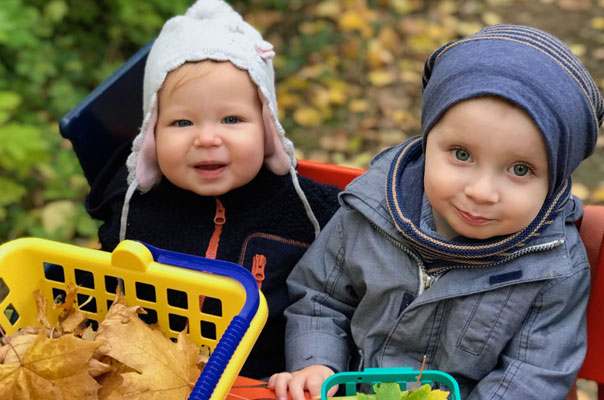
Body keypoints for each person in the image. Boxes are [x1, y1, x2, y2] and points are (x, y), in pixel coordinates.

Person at [269, 25, 603, 399]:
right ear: (428, 140)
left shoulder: (552, 267)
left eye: (520, 170)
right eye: (462, 154)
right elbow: (319, 296)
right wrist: (317, 364)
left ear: (555, 179)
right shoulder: (370, 210)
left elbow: (534, 373)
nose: (480, 192)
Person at [85, 0, 341, 379]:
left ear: (267, 130)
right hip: (158, 377)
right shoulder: (132, 209)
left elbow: (334, 299)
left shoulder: (308, 210)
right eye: (182, 121)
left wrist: (309, 365)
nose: (207, 138)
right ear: (152, 136)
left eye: (232, 119)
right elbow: (100, 290)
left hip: (267, 379)